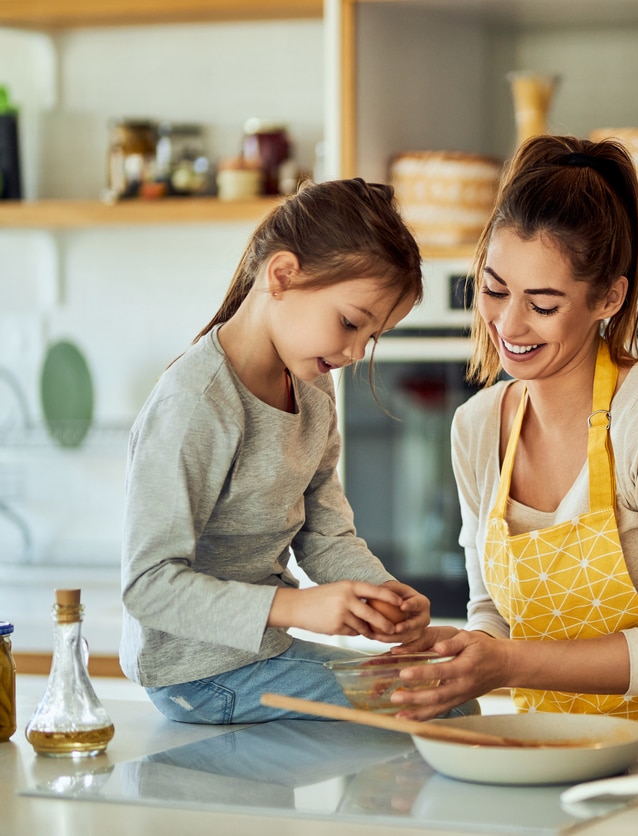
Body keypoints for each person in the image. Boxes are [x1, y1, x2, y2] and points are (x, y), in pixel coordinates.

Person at [390, 135, 638, 739]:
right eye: (494, 290)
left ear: (608, 297)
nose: (508, 323)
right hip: (558, 758)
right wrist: (465, 656)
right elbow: (495, 615)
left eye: (543, 304)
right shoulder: (476, 428)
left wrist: (511, 663)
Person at [120, 178, 471, 725]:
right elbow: (147, 587)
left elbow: (324, 532)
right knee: (439, 709)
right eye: (351, 323)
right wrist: (297, 608)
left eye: (371, 337)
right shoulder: (197, 403)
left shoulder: (311, 387)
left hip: (266, 654)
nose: (355, 352)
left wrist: (382, 596)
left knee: (445, 693)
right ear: (282, 276)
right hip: (199, 675)